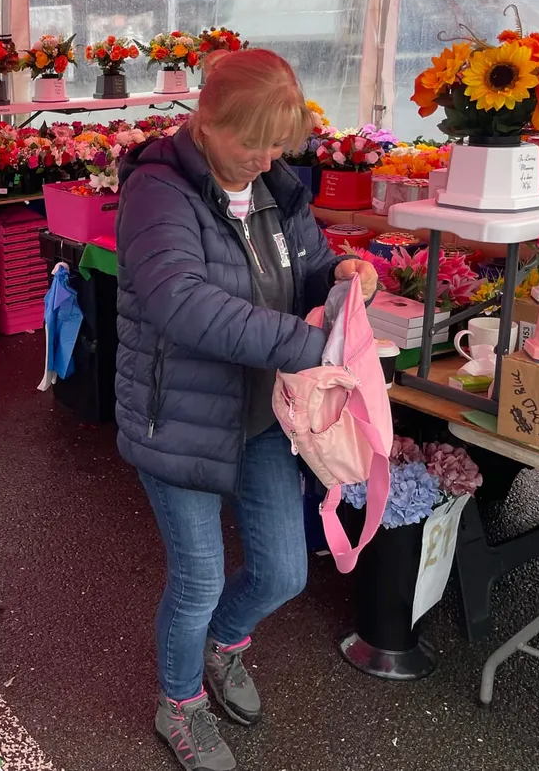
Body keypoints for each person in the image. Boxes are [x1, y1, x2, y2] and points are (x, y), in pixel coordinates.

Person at [114, 49, 378, 771]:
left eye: (275, 146)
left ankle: (222, 646)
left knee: (285, 572)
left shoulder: (273, 188)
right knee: (196, 575)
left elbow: (308, 266)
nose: (263, 160)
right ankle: (179, 704)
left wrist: (343, 274)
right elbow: (182, 303)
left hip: (264, 414)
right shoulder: (157, 191)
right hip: (181, 420)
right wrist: (307, 341)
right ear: (205, 119)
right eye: (248, 142)